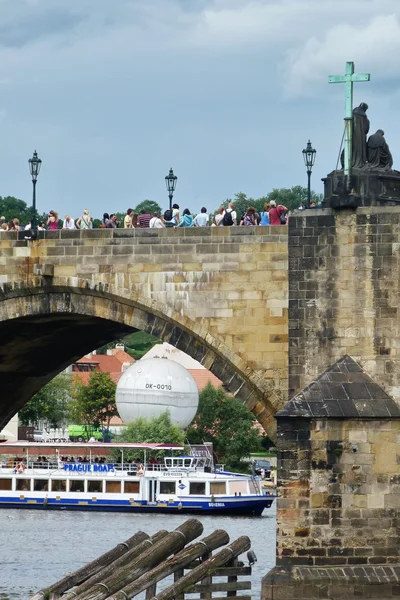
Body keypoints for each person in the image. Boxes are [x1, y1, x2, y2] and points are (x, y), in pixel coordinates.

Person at [352, 102, 369, 168]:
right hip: (361, 137)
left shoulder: (353, 112)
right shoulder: (364, 116)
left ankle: (353, 161)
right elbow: (366, 129)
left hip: (353, 135)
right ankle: (359, 162)